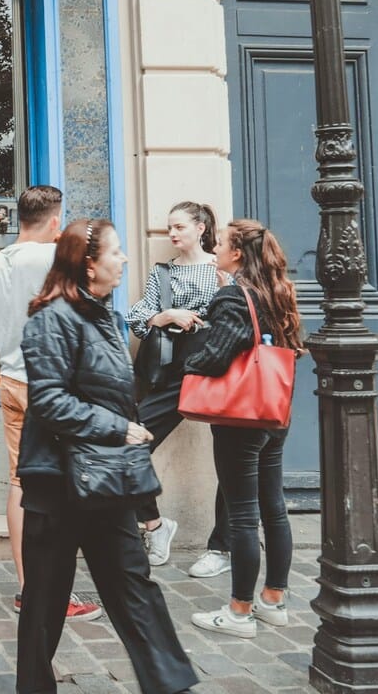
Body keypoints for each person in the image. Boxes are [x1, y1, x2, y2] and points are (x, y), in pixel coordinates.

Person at [18, 219, 198, 694]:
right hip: (56, 482)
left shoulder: (105, 317)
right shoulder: (51, 318)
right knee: (44, 601)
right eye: (116, 253)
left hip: (107, 481)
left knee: (135, 587)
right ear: (89, 265)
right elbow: (50, 401)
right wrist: (119, 429)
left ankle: (169, 682)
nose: (124, 261)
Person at [0, 187, 102, 623]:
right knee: (59, 491)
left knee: (20, 482)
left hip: (10, 380)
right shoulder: (56, 261)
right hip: (51, 385)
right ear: (54, 221)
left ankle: (29, 588)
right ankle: (54, 594)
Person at [187, 219, 303, 639]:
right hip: (274, 413)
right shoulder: (278, 290)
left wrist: (193, 352)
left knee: (241, 514)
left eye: (219, 243)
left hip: (240, 419)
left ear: (236, 253)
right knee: (273, 507)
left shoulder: (234, 295)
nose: (213, 247)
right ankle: (274, 600)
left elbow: (215, 357)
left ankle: (239, 612)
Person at [126, 201, 232, 572]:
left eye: (179, 227)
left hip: (218, 369)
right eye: (169, 227)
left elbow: (237, 316)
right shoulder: (164, 273)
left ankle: (223, 546)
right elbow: (137, 316)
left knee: (232, 458)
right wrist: (167, 315)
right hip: (173, 372)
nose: (172, 234)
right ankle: (155, 524)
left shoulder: (222, 268)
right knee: (130, 440)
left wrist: (214, 308)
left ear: (201, 228)